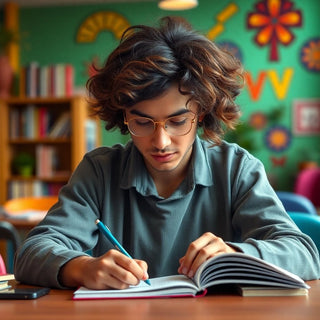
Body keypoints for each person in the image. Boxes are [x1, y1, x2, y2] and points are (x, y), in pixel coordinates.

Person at [14, 16, 320, 289]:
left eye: (177, 121)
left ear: (201, 113)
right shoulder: (99, 170)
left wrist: (236, 254)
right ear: (123, 116)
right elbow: (32, 252)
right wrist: (81, 268)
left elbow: (304, 254)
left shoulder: (236, 168)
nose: (160, 141)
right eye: (142, 122)